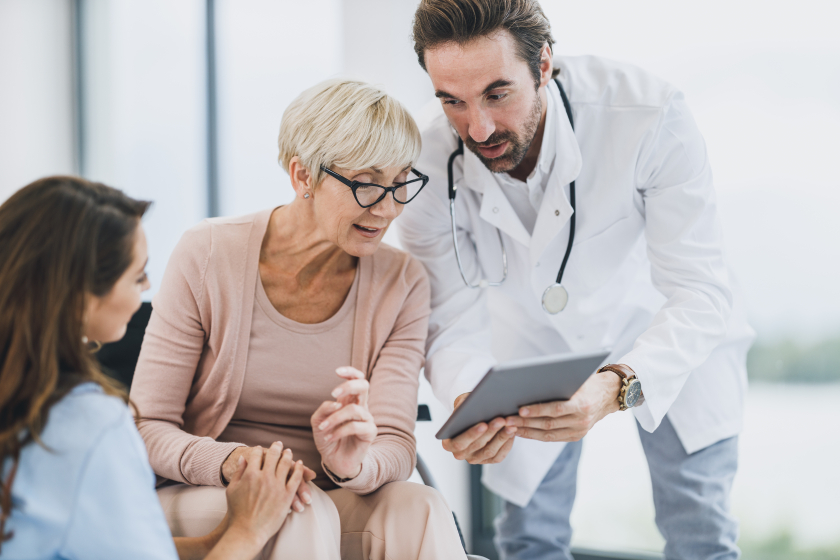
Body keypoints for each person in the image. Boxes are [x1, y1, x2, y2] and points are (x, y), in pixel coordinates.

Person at [399, 1, 755, 559]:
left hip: (664, 331)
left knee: (700, 535)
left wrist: (617, 386)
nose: (479, 127)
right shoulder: (421, 159)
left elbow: (700, 292)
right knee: (528, 540)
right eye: (452, 101)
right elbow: (445, 316)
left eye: (498, 93)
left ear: (544, 64)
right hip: (525, 345)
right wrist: (468, 393)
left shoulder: (646, 113)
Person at [129, 79, 467, 560]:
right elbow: (146, 429)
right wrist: (236, 462)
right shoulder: (207, 252)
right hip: (212, 495)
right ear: (303, 175)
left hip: (329, 496)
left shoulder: (402, 281)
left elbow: (395, 442)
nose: (389, 208)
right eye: (368, 185)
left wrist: (354, 463)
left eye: (400, 184)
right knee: (298, 509)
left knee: (422, 507)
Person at [0, 176, 305, 559]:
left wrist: (220, 537)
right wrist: (249, 529)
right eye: (137, 275)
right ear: (80, 295)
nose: (147, 288)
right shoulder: (90, 423)